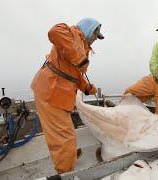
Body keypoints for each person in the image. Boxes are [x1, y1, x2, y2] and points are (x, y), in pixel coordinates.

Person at [31, 18, 104, 173]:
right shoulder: (71, 32)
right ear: (88, 29)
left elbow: (75, 75)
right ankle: (65, 172)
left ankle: (68, 155)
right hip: (51, 91)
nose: (95, 39)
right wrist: (80, 58)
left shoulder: (83, 48)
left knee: (63, 134)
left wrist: (88, 87)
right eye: (95, 34)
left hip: (60, 94)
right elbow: (54, 32)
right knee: (64, 138)